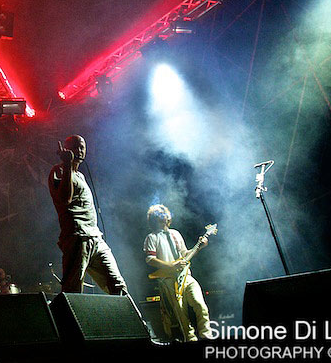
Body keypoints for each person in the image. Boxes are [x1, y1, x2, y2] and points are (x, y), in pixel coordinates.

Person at [48, 135, 128, 296]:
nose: (79, 150)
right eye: (75, 146)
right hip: (77, 238)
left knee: (118, 286)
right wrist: (67, 165)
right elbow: (65, 198)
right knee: (73, 290)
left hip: (95, 238)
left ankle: (123, 313)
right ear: (66, 149)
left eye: (82, 147)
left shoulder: (81, 176)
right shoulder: (59, 171)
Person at [143, 204, 210, 341]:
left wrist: (199, 247)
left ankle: (206, 336)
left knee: (200, 305)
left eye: (164, 213)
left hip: (186, 276)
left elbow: (185, 254)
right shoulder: (152, 237)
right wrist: (171, 265)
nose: (164, 216)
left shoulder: (175, 234)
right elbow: (150, 259)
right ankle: (190, 340)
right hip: (168, 279)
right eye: (159, 214)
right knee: (180, 313)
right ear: (154, 218)